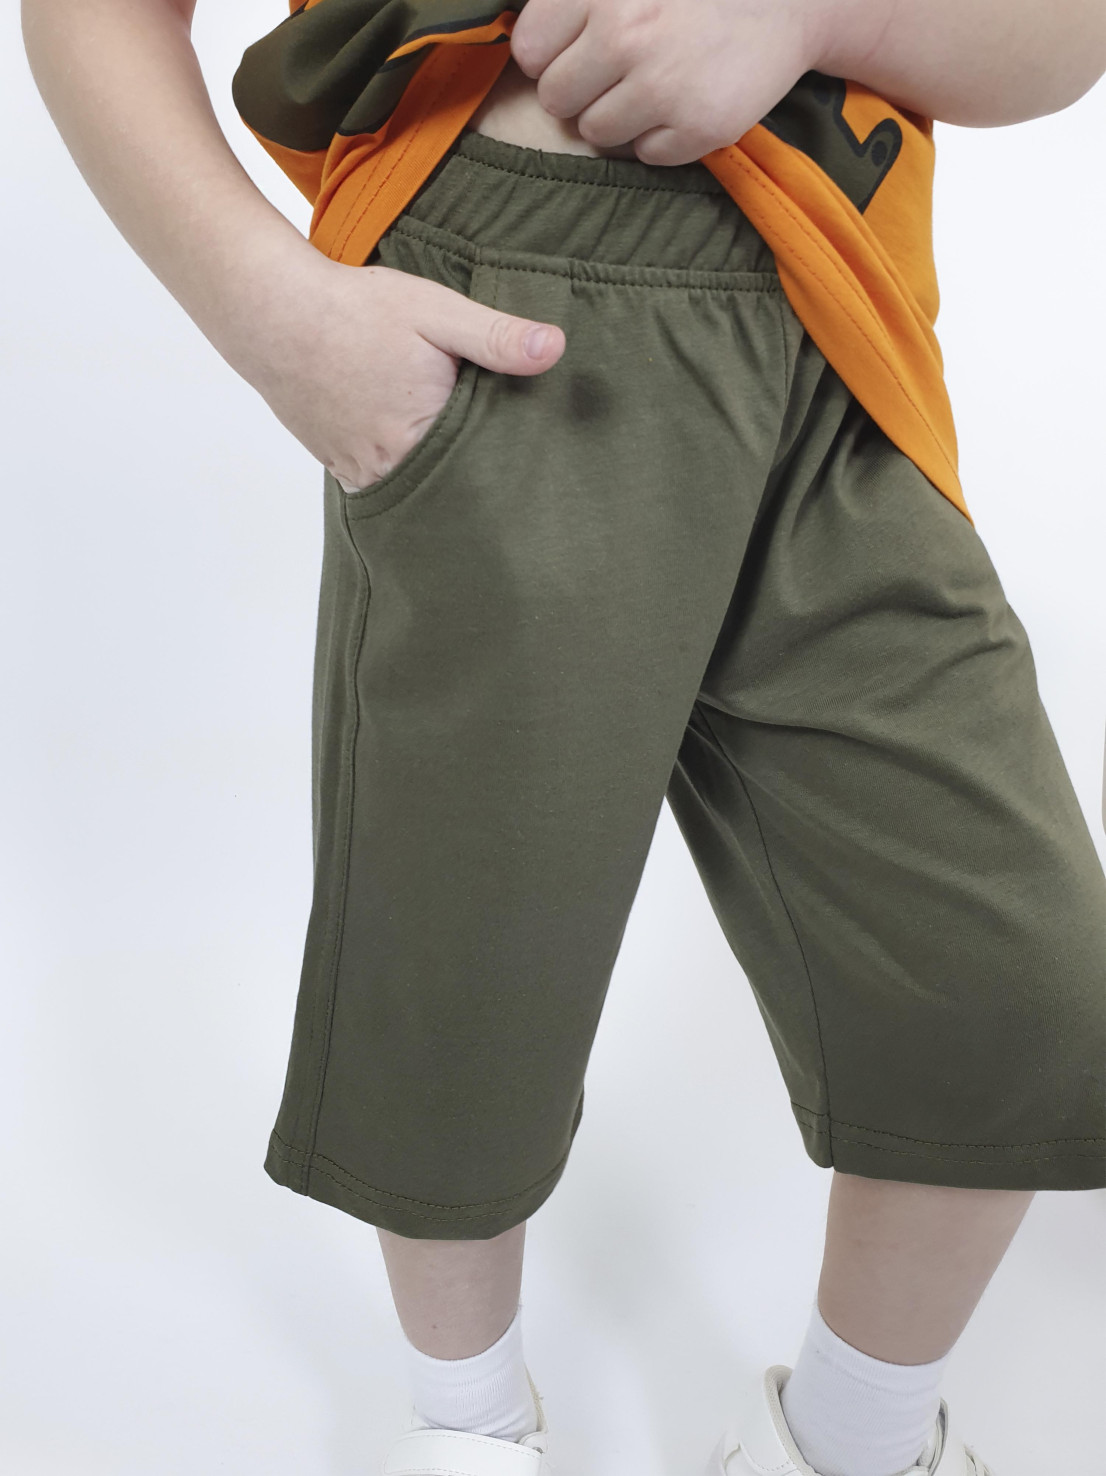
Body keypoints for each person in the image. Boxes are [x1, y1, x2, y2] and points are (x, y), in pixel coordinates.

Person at [20, 2, 1106, 1474]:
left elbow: (1062, 35)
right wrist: (270, 316)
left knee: (1015, 981)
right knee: (474, 952)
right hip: (511, 286)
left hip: (843, 321)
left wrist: (807, 13)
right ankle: (468, 1429)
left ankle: (854, 1442)